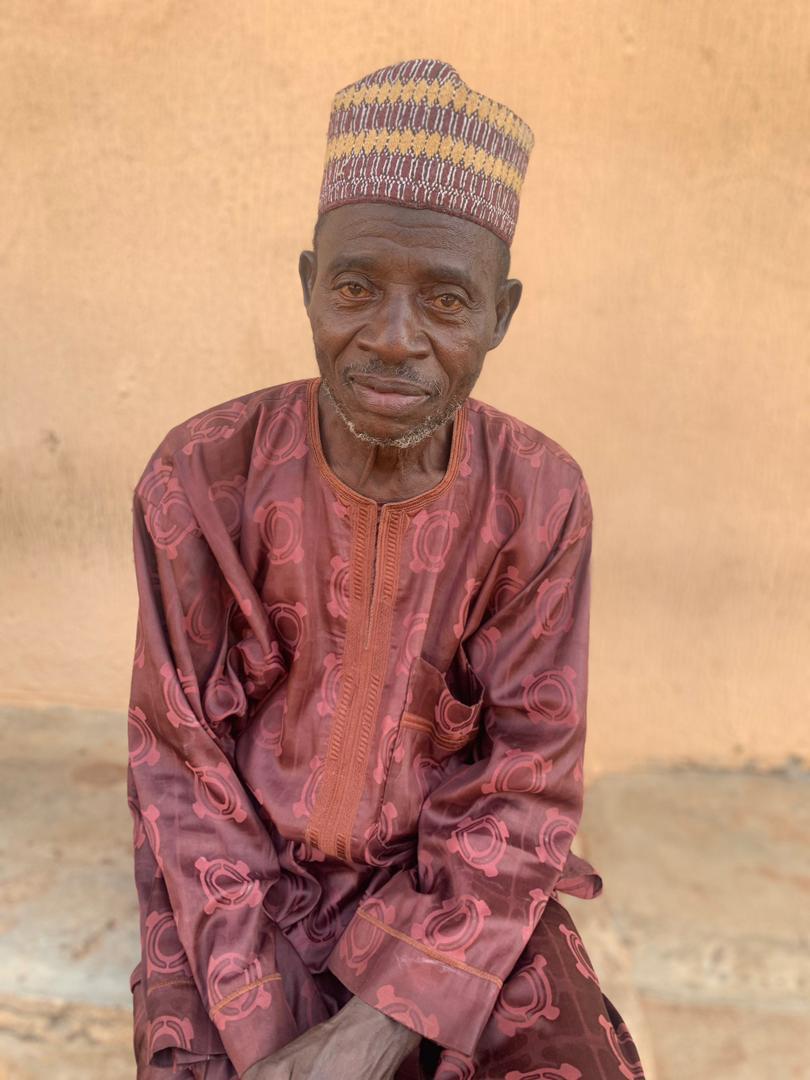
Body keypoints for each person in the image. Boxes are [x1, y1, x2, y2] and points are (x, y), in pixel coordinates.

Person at [127, 58, 646, 1080]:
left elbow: (524, 790)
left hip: (452, 886)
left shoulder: (541, 498)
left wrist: (374, 1027)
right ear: (308, 283)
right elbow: (179, 776)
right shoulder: (198, 476)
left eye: (447, 299)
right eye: (356, 286)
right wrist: (267, 1032)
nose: (394, 339)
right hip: (242, 885)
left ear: (502, 314)